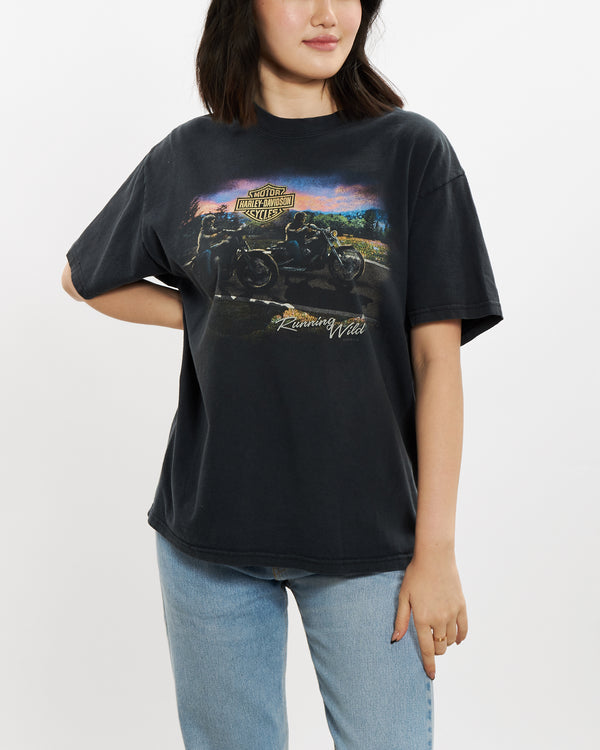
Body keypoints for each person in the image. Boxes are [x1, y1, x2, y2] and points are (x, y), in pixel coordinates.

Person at [60, 1, 504, 748]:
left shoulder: (412, 151)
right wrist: (208, 308)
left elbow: (438, 363)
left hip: (368, 537)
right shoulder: (188, 155)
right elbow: (84, 278)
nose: (328, 13)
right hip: (209, 535)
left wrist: (436, 552)